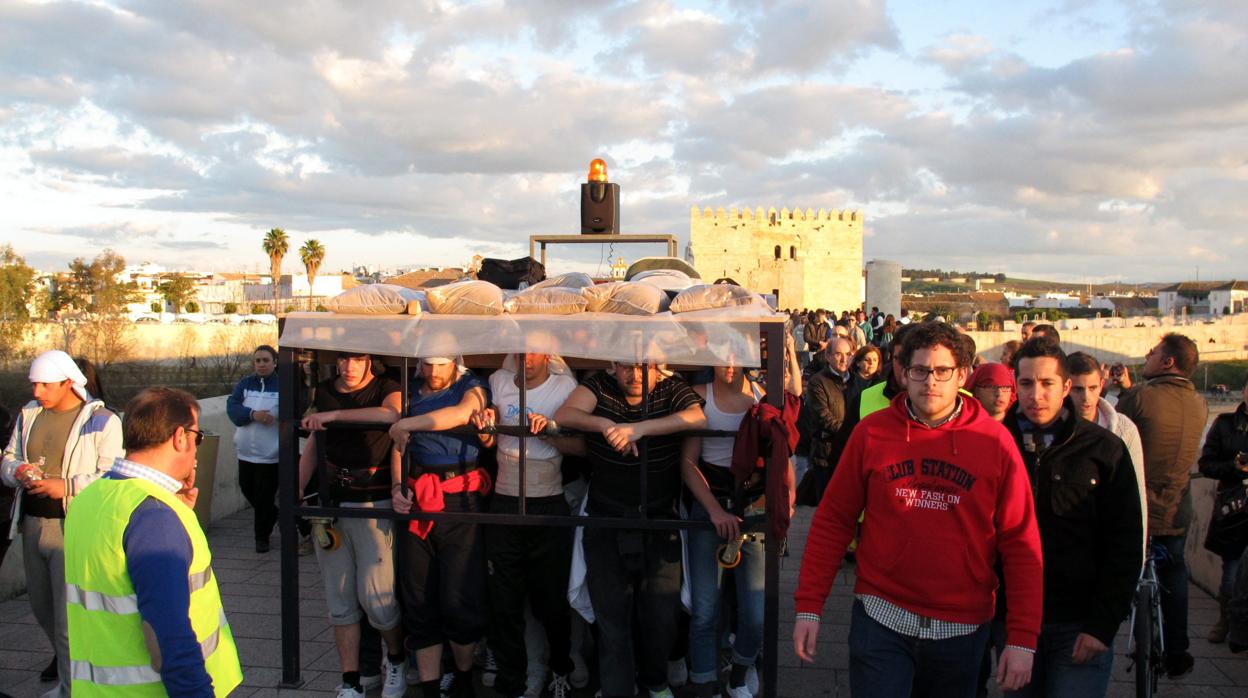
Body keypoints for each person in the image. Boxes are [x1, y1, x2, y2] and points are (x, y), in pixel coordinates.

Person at [794, 322, 1043, 698]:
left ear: (962, 374)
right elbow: (833, 521)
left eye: (942, 371)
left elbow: (1021, 541)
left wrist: (1022, 638)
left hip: (960, 629)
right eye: (920, 370)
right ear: (903, 372)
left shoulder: (995, 444)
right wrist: (809, 607)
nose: (931, 382)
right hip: (881, 619)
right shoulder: (872, 433)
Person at [62, 386, 243, 696]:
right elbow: (169, 637)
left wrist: (175, 516)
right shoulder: (155, 517)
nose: (197, 447)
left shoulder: (88, 499)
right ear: (180, 437)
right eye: (197, 437)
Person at [554, 362, 706, 698]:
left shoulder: (670, 387)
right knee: (611, 620)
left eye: (643, 367)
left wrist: (640, 429)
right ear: (612, 366)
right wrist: (607, 423)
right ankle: (617, 689)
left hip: (658, 518)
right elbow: (565, 414)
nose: (634, 375)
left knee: (661, 615)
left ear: (658, 368)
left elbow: (697, 417)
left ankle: (655, 681)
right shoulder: (600, 385)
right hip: (606, 517)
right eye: (626, 366)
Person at [1002, 339, 1143, 696]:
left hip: (1079, 621)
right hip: (1014, 619)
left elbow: (1125, 540)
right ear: (1015, 384)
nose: (1037, 395)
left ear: (1065, 387)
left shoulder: (1103, 449)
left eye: (1047, 383)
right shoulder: (997, 443)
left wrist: (1103, 624)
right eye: (1026, 383)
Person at [679, 344, 800, 698]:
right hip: (711, 503)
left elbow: (781, 452)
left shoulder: (762, 394)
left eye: (735, 357)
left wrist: (788, 497)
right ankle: (706, 685)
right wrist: (714, 511)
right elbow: (688, 464)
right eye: (721, 357)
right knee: (705, 610)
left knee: (756, 613)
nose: (729, 365)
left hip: (755, 506)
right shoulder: (698, 396)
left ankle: (738, 676)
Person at [1, 349, 123, 698]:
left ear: (68, 383)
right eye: (34, 384)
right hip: (33, 524)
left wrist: (65, 487)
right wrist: (17, 471)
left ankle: (74, 690)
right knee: (43, 609)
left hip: (72, 527)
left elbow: (111, 474)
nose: (37, 391)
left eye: (44, 384)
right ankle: (71, 682)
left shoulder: (102, 421)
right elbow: (8, 458)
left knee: (67, 618)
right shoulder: (28, 414)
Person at [470, 352, 582, 698]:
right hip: (504, 497)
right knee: (504, 601)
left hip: (547, 498)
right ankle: (512, 679)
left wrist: (548, 431)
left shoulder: (566, 386)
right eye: (520, 349)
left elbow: (581, 445)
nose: (526, 358)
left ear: (548, 352)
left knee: (550, 600)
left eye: (534, 349)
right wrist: (487, 431)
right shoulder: (499, 381)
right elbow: (488, 439)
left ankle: (561, 666)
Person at [298, 351, 408, 698]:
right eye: (343, 359)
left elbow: (392, 413)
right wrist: (297, 489)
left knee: (378, 599)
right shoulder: (325, 389)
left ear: (369, 361)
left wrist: (334, 415)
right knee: (340, 599)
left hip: (373, 501)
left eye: (356, 359)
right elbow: (315, 443)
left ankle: (396, 658)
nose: (348, 366)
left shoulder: (387, 386)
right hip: (331, 502)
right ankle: (350, 681)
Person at [389, 356, 490, 698]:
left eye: (441, 363)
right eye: (428, 363)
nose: (433, 372)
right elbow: (398, 445)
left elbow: (462, 414)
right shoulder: (410, 390)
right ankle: (431, 686)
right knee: (418, 594)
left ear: (456, 363)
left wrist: (409, 423)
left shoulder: (471, 386)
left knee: (460, 595)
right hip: (419, 495)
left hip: (460, 498)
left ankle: (462, 677)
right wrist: (397, 485)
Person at [1115, 333, 1208, 677]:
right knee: (1175, 573)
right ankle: (1178, 651)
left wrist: (1126, 391)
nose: (1147, 354)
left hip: (1138, 510)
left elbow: (1119, 431)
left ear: (1168, 361)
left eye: (1153, 352)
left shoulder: (1140, 397)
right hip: (1177, 510)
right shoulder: (1200, 404)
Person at [1066, 352, 1147, 555]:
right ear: (1065, 387)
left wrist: (1137, 557)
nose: (1086, 397)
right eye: (1078, 389)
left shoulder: (1124, 430)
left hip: (1110, 541)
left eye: (1092, 388)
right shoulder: (1054, 430)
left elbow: (1137, 499)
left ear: (1102, 385)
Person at [1198, 371, 1248, 645]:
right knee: (1231, 576)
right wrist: (1234, 467)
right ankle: (1226, 621)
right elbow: (1206, 465)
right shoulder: (1226, 424)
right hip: (1235, 510)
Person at [227, 345, 282, 552]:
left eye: (265, 360)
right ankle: (273, 514)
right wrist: (253, 415)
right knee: (247, 488)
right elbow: (233, 408)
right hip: (246, 453)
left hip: (270, 455)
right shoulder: (245, 384)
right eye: (258, 360)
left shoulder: (282, 385)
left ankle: (262, 538)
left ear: (274, 362)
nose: (261, 364)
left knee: (263, 496)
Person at [802, 336, 853, 505]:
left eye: (848, 353)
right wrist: (853, 433)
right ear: (828, 357)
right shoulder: (817, 382)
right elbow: (823, 417)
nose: (844, 358)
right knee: (827, 505)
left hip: (850, 454)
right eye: (838, 354)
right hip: (826, 455)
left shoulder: (855, 381)